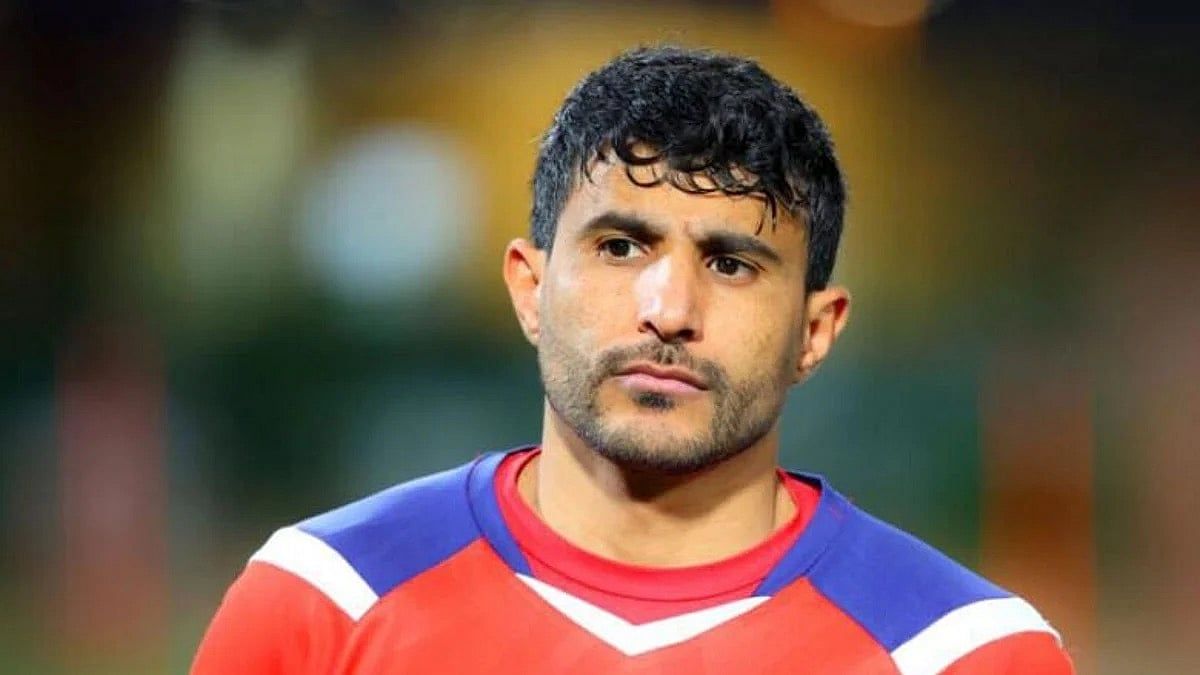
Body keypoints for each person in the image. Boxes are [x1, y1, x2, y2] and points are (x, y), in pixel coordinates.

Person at [191, 46, 1074, 674]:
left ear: (816, 331)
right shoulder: (322, 603)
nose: (669, 311)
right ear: (530, 288)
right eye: (620, 247)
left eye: (731, 263)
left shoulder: (962, 652)